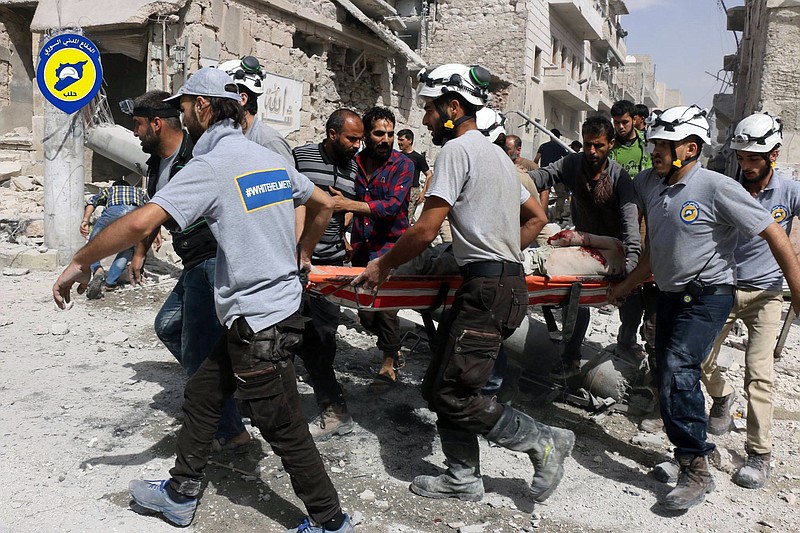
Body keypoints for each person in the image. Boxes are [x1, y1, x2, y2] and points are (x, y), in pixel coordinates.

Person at [53, 67, 354, 533]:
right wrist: (302, 254)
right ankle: (180, 493)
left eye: (185, 106)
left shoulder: (212, 167)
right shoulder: (264, 157)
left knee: (284, 426)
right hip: (270, 310)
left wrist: (81, 260)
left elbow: (138, 222)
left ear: (204, 107)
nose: (182, 115)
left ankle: (331, 521)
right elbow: (323, 203)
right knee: (203, 392)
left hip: (258, 322)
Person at [354, 63, 570, 505]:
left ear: (454, 107)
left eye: (431, 109)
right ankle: (462, 477)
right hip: (498, 285)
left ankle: (543, 440)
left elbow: (425, 229)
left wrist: (383, 266)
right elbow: (537, 217)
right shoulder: (496, 154)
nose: (426, 118)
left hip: (488, 290)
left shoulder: (456, 150)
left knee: (454, 393)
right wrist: (499, 251)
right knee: (440, 387)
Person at [609, 105, 800, 511]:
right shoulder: (649, 184)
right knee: (667, 370)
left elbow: (774, 234)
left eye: (664, 144)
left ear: (690, 148)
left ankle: (697, 468)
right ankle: (697, 449)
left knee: (681, 366)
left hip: (711, 294)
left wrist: (797, 290)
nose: (655, 150)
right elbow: (655, 252)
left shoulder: (716, 187)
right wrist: (624, 286)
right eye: (654, 143)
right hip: (669, 295)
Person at [124, 90, 250, 453]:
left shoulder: (200, 156)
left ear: (156, 123)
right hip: (193, 263)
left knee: (197, 351)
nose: (135, 133)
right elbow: (156, 211)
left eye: (138, 125)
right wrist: (139, 254)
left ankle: (230, 431)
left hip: (213, 260)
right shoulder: (154, 165)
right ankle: (226, 390)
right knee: (169, 326)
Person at [700, 113, 799, 489]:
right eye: (741, 157)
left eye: (753, 158)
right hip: (723, 288)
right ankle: (722, 398)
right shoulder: (727, 187)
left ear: (773, 155)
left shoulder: (790, 191)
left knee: (759, 375)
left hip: (767, 294)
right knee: (699, 359)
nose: (746, 165)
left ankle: (759, 453)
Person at [529, 116, 642, 373]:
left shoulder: (619, 178)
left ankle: (626, 344)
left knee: (632, 302)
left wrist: (630, 267)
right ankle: (571, 356)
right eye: (588, 144)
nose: (592, 151)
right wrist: (516, 178)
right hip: (582, 245)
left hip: (613, 249)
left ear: (610, 144)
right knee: (574, 299)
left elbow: (629, 221)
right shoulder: (572, 163)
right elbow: (543, 177)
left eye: (599, 146)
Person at [329, 106, 413, 394]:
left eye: (390, 134)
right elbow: (346, 198)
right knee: (365, 313)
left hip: (393, 248)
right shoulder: (356, 163)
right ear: (366, 135)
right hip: (363, 247)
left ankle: (388, 364)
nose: (386, 139)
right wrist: (342, 233)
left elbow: (390, 208)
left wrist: (348, 206)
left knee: (385, 308)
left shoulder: (403, 165)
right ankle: (392, 346)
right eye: (379, 133)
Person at [293, 109, 363, 439]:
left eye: (360, 139)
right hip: (294, 263)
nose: (357, 145)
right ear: (333, 134)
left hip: (331, 266)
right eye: (352, 138)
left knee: (324, 336)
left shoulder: (355, 168)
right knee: (289, 334)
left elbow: (358, 206)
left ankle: (329, 402)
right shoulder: (300, 157)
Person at [219, 56, 293, 165]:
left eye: (222, 99)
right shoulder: (227, 137)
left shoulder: (268, 141)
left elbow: (289, 179)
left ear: (242, 99)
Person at [80, 179, 148, 299]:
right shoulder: (139, 191)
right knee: (128, 248)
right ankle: (110, 282)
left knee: (93, 243)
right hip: (135, 215)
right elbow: (152, 207)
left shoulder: (110, 190)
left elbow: (92, 202)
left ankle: (97, 269)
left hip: (113, 212)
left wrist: (85, 220)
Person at [397, 128, 432, 224]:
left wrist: (423, 192)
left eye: (401, 140)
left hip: (412, 191)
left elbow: (429, 175)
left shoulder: (418, 158)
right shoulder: (397, 157)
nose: (399, 142)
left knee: (406, 219)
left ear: (410, 141)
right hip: (398, 189)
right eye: (398, 139)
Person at [609, 99, 652, 176]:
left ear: (634, 120)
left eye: (625, 122)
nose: (621, 127)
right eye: (617, 123)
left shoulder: (647, 143)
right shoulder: (609, 145)